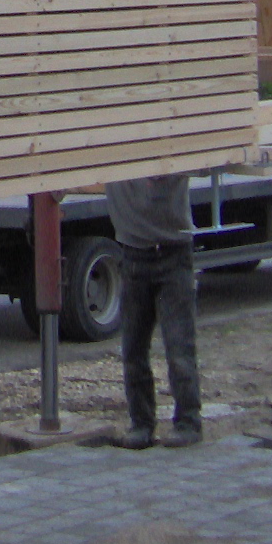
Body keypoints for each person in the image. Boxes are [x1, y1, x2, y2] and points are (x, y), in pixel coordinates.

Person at [104, 172, 201, 449]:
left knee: (179, 348)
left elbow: (205, 163)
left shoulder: (170, 150)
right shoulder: (113, 154)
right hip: (133, 254)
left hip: (173, 252)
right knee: (133, 350)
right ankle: (141, 424)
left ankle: (188, 423)